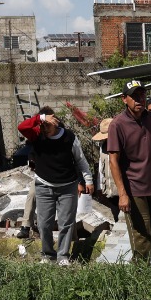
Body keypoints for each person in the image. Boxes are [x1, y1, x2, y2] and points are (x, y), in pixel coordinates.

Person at [17, 106, 94, 263]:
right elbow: (22, 127)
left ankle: (63, 256)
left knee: (66, 223)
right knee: (44, 223)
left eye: (48, 125)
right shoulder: (37, 136)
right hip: (44, 185)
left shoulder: (69, 137)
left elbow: (80, 160)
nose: (45, 129)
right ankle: (47, 254)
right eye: (42, 125)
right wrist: (41, 119)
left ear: (56, 122)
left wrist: (88, 180)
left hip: (67, 186)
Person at [106, 80, 151, 262]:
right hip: (134, 188)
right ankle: (141, 275)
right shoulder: (118, 124)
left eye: (141, 95)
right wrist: (122, 194)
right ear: (124, 99)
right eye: (134, 96)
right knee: (141, 235)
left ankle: (141, 259)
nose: (139, 99)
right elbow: (113, 161)